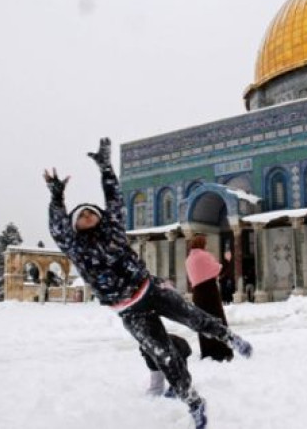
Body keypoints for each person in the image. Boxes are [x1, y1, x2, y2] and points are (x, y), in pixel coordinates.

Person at [44, 137, 253, 429]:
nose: (88, 215)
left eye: (92, 211)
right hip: (129, 309)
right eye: (82, 215)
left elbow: (114, 199)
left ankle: (230, 339)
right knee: (163, 353)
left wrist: (106, 168)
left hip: (149, 289)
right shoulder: (76, 247)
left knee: (194, 318)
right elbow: (57, 228)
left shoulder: (114, 231)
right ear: (75, 224)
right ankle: (192, 400)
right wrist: (56, 198)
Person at [185, 234, 234, 361]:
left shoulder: (189, 259)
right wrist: (227, 260)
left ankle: (207, 351)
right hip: (209, 291)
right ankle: (222, 351)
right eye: (205, 243)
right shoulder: (204, 256)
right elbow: (219, 271)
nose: (207, 245)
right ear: (202, 244)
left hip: (197, 293)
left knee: (203, 322)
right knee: (217, 319)